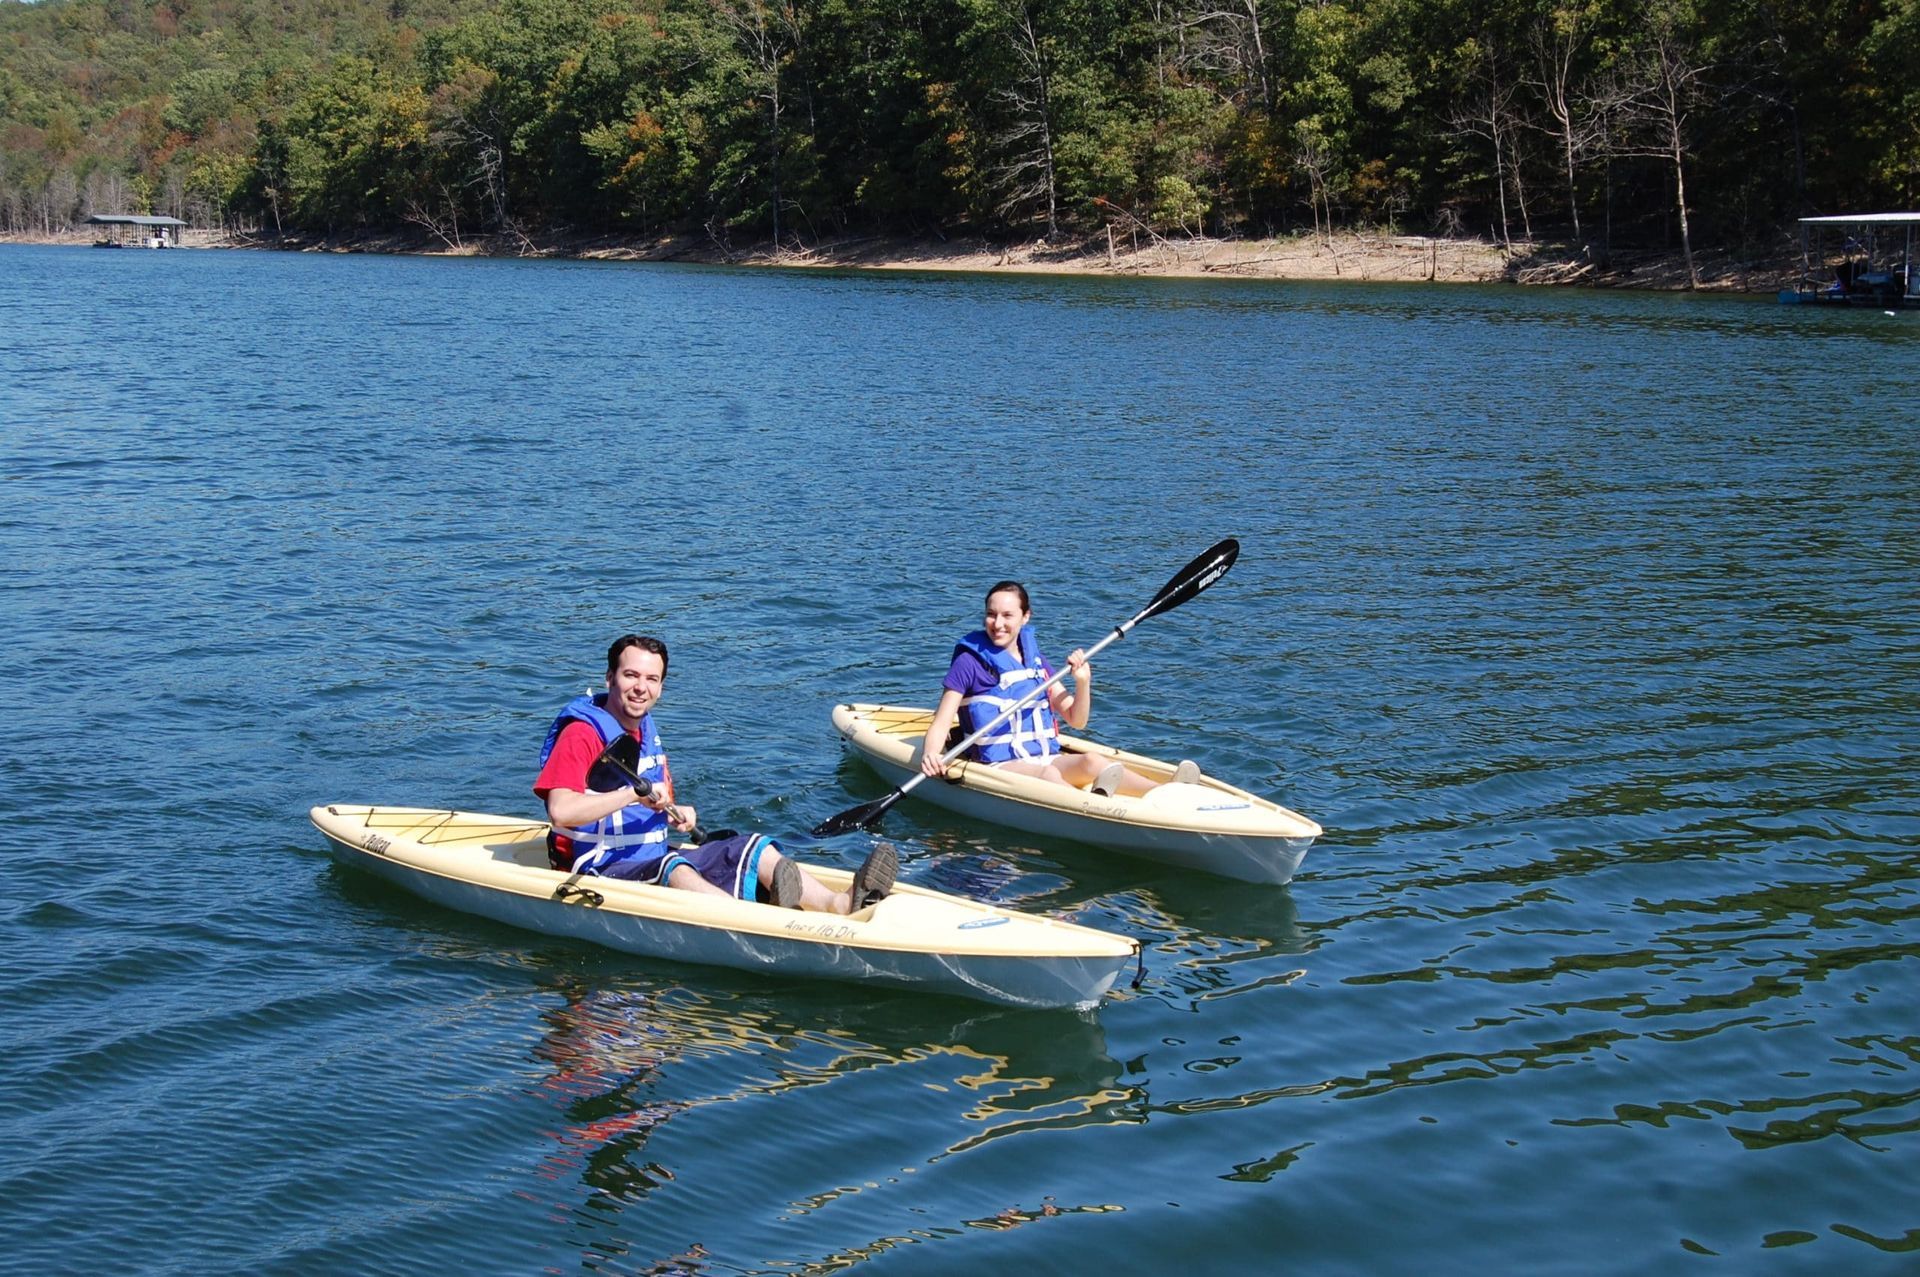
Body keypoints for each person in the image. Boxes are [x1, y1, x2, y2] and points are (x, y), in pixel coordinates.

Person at [536, 634, 893, 912]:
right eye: (630, 675)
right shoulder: (582, 734)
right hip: (599, 867)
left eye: (651, 678)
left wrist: (677, 811)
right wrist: (632, 795)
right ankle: (756, 922)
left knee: (754, 848)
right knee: (676, 869)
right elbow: (561, 811)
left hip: (651, 852)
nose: (640, 687)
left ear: (661, 686)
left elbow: (656, 797)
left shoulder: (645, 728)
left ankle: (840, 904)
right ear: (610, 677)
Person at [918, 582, 1199, 797]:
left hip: (1043, 756)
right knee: (1047, 772)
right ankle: (1094, 807)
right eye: (991, 615)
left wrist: (1082, 681)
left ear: (1025, 617)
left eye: (1007, 615)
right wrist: (931, 754)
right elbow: (942, 720)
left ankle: (1166, 793)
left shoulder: (1036, 662)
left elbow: (1077, 720)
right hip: (999, 766)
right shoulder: (969, 662)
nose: (998, 624)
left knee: (1092, 761)